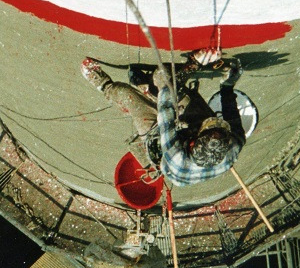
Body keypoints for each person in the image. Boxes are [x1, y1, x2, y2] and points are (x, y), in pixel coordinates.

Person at [81, 50, 246, 186]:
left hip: (158, 137)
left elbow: (165, 105)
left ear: (193, 142)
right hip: (191, 126)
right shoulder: (234, 144)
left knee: (132, 91)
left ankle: (102, 83)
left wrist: (194, 64)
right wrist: (227, 85)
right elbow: (231, 110)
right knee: (162, 76)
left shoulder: (176, 156)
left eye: (208, 126)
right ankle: (147, 85)